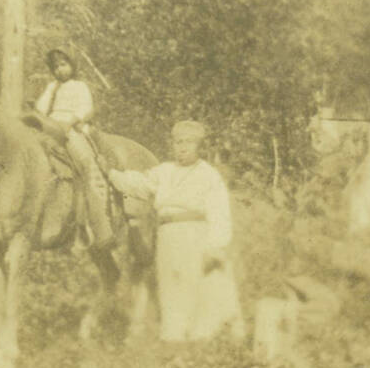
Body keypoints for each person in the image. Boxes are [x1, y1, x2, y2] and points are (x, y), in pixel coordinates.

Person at [108, 120, 244, 343]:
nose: (182, 148)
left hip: (195, 233)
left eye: (189, 143)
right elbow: (139, 185)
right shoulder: (164, 171)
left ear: (200, 146)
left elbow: (220, 212)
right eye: (178, 142)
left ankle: (202, 337)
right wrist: (113, 175)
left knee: (198, 285)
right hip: (168, 235)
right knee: (171, 285)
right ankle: (174, 337)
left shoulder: (208, 175)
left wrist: (216, 246)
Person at [34, 48, 115, 249]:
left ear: (71, 65)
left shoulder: (79, 86)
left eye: (64, 65)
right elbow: (41, 108)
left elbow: (86, 108)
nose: (60, 70)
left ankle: (93, 218)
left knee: (85, 163)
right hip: (51, 126)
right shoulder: (52, 87)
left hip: (71, 127)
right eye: (56, 67)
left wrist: (72, 121)